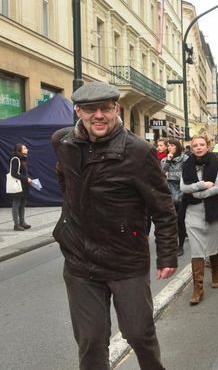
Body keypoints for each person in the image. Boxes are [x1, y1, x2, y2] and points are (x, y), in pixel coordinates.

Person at [51, 82, 177, 370]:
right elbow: (65, 181)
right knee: (91, 341)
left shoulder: (139, 151)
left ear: (116, 110)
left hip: (125, 259)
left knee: (139, 334)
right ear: (78, 110)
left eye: (106, 109)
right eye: (91, 109)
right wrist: (68, 221)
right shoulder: (63, 142)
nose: (99, 116)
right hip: (80, 261)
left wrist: (168, 253)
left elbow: (163, 207)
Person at [180, 134, 218, 304]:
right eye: (195, 145)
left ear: (207, 146)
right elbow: (183, 187)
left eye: (201, 144)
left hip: (213, 210)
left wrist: (199, 194)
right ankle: (198, 289)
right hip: (193, 212)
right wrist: (201, 186)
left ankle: (214, 273)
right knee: (197, 250)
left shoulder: (216, 163)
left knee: (214, 245)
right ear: (191, 148)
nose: (198, 147)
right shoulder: (187, 164)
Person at [161, 138, 189, 256]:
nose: (170, 148)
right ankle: (171, 245)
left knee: (180, 221)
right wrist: (168, 162)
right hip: (169, 195)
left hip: (182, 195)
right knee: (170, 223)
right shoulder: (164, 160)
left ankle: (180, 246)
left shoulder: (186, 159)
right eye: (169, 146)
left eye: (173, 146)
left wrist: (170, 176)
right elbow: (161, 175)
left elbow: (187, 176)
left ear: (178, 146)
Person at [8, 143, 32, 231]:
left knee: (22, 204)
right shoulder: (15, 159)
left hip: (23, 185)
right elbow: (13, 173)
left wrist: (28, 179)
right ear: (19, 150)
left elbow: (22, 172)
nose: (27, 149)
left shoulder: (22, 159)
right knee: (16, 204)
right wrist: (26, 179)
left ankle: (22, 222)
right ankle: (16, 224)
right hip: (18, 185)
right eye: (25, 148)